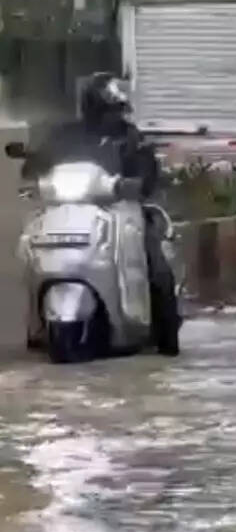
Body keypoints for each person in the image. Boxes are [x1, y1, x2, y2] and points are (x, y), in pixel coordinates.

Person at [23, 73, 179, 354]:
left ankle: (166, 333)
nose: (115, 116)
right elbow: (40, 161)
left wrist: (137, 182)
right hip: (69, 207)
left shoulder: (131, 137)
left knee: (156, 265)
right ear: (93, 108)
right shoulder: (66, 135)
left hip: (120, 208)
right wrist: (32, 165)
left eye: (118, 110)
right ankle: (35, 324)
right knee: (27, 245)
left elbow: (147, 170)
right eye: (109, 110)